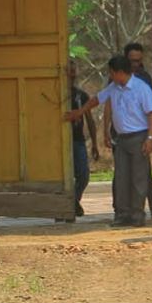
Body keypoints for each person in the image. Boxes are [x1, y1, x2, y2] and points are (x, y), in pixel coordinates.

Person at [66, 54, 152, 227]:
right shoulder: (114, 87)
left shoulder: (141, 88)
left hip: (139, 137)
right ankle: (123, 215)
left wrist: (150, 138)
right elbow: (96, 100)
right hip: (121, 139)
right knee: (122, 177)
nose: (110, 76)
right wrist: (79, 112)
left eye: (111, 73)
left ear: (119, 72)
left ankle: (137, 215)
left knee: (138, 178)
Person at [124, 41, 152, 218]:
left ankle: (150, 208)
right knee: (124, 174)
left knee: (143, 173)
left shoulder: (144, 78)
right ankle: (122, 210)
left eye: (138, 61)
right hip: (123, 131)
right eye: (132, 61)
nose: (136, 65)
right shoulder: (116, 77)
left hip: (142, 130)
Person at [67, 58, 100, 217]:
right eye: (69, 71)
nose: (72, 74)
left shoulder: (81, 96)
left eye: (74, 71)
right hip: (60, 142)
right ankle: (70, 204)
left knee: (83, 175)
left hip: (77, 140)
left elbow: (90, 121)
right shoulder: (56, 94)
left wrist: (94, 143)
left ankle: (73, 201)